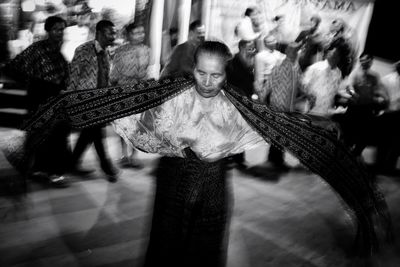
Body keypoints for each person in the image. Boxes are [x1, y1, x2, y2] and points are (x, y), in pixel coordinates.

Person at [2, 42, 393, 266]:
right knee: (167, 248)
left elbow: (293, 132)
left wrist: (351, 181)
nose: (207, 82)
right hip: (174, 180)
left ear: (227, 73)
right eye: (201, 73)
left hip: (212, 185)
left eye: (216, 75)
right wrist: (41, 126)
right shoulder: (168, 92)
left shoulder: (241, 106)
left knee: (204, 251)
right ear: (194, 69)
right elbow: (105, 101)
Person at [3, 15, 70, 187]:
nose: (60, 32)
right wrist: (31, 81)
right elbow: (13, 67)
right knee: (43, 135)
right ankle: (47, 172)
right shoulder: (37, 49)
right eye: (56, 29)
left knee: (51, 135)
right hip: (39, 98)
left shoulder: (58, 51)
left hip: (54, 98)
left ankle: (42, 170)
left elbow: (63, 76)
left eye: (62, 29)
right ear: (48, 31)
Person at [67, 20, 120, 182]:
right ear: (99, 32)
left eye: (114, 32)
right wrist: (71, 99)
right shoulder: (83, 50)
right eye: (110, 32)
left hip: (99, 101)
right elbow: (74, 75)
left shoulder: (106, 53)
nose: (114, 36)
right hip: (86, 101)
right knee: (96, 133)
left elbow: (105, 78)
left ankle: (72, 163)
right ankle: (106, 166)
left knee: (89, 134)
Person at [110, 21, 153, 168]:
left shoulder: (147, 50)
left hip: (138, 93)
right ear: (128, 35)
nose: (140, 35)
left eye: (142, 32)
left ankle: (133, 157)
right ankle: (124, 155)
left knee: (136, 126)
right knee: (121, 125)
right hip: (122, 92)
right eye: (136, 32)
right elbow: (114, 73)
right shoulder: (120, 51)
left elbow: (144, 72)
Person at [226, 39, 257, 170]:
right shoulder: (231, 64)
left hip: (246, 101)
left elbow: (251, 82)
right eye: (249, 48)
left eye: (253, 48)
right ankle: (227, 158)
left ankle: (239, 159)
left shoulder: (251, 62)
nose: (252, 50)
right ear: (241, 48)